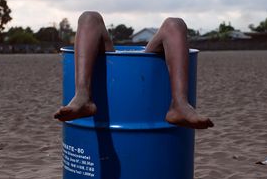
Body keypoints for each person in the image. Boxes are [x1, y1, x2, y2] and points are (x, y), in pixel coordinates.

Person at [54, 11, 214, 129]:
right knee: (89, 17)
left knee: (175, 24)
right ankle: (82, 96)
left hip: (149, 52)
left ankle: (180, 104)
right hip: (107, 52)